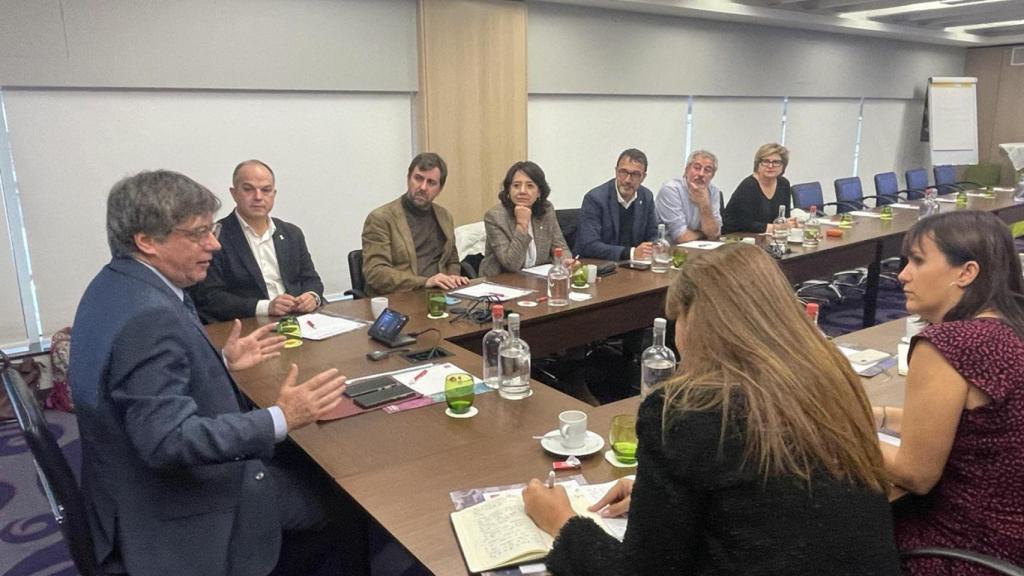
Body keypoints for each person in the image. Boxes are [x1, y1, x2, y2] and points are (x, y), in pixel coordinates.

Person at [522, 242, 901, 575]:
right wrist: (665, 501)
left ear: (697, 321)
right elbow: (771, 496)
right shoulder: (831, 378)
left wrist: (563, 523)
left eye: (678, 321)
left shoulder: (687, 410)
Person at [69, 170, 356, 576]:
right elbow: (167, 441)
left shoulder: (114, 285)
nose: (215, 244)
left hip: (120, 485)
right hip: (173, 505)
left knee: (304, 461)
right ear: (146, 241)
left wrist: (218, 363)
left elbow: (138, 383)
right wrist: (281, 417)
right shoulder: (149, 316)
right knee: (344, 494)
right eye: (199, 233)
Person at [872, 211, 1024, 574]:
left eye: (918, 261)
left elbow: (915, 475)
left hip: (961, 547)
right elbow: (979, 428)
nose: (903, 274)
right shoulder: (1010, 329)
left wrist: (838, 432)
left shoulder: (951, 344)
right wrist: (880, 416)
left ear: (966, 273)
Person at [190, 159, 324, 323]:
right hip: (248, 325)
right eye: (248, 189)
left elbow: (311, 279)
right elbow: (210, 297)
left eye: (266, 190)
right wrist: (266, 307)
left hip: (299, 321)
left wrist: (312, 296)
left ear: (274, 194)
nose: (258, 197)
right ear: (234, 193)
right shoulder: (216, 236)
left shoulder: (291, 233)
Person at [361, 152, 469, 296]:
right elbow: (376, 273)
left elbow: (452, 260)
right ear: (408, 179)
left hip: (440, 297)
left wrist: (452, 278)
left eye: (431, 182)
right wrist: (425, 282)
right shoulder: (381, 218)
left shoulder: (444, 216)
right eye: (418, 178)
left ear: (440, 189)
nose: (423, 187)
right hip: (400, 298)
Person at [479, 160, 570, 277]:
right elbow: (511, 264)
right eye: (516, 185)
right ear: (508, 191)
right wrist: (522, 225)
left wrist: (565, 261)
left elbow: (560, 247)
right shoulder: (495, 217)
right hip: (501, 282)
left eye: (530, 186)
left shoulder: (546, 210)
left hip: (537, 280)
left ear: (539, 192)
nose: (522, 191)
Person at [575, 148, 659, 261]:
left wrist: (654, 247)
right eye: (623, 172)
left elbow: (653, 235)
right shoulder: (595, 199)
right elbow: (589, 245)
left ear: (643, 177)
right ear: (616, 171)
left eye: (635, 174)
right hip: (601, 266)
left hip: (635, 265)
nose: (628, 180)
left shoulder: (646, 197)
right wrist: (631, 253)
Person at [722, 143, 792, 234]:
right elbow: (743, 223)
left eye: (776, 162)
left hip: (770, 238)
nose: (770, 166)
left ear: (783, 166)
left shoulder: (784, 184)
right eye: (766, 161)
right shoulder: (748, 186)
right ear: (758, 164)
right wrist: (775, 227)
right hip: (739, 238)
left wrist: (790, 223)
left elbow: (784, 217)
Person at [655, 149, 722, 243]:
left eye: (707, 170)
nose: (701, 174)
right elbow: (681, 237)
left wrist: (704, 204)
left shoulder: (714, 191)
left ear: (712, 176)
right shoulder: (671, 189)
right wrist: (703, 233)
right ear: (686, 170)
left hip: (700, 247)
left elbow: (714, 234)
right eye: (697, 168)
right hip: (671, 249)